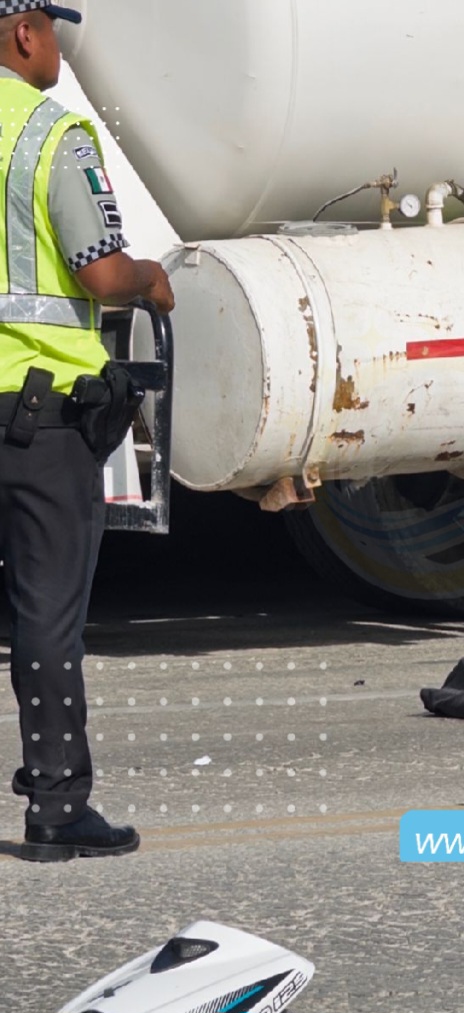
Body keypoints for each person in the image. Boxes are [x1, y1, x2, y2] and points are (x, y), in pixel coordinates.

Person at [0, 1, 175, 862]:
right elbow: (101, 274)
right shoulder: (49, 132)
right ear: (24, 33)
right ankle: (58, 805)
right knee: (46, 611)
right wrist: (151, 278)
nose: (61, 50)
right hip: (41, 419)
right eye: (54, 30)